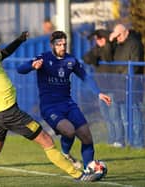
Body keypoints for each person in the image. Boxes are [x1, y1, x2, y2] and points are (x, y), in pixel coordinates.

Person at [0, 32, 103, 182]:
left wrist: (20, 40)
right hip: (10, 113)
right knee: (47, 141)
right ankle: (79, 175)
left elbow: (7, 52)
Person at [17, 31, 111, 170]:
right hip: (50, 107)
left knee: (87, 137)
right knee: (69, 131)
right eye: (59, 44)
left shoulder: (71, 60)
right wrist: (32, 66)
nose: (62, 47)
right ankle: (66, 154)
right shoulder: (43, 58)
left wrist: (98, 93)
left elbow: (85, 76)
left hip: (68, 104)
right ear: (52, 45)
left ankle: (88, 169)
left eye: (64, 44)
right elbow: (20, 69)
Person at [83, 29, 124, 147]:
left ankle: (119, 140)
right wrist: (97, 51)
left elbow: (108, 57)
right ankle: (111, 140)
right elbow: (87, 58)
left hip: (112, 88)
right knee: (107, 117)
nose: (98, 41)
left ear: (105, 39)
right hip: (101, 89)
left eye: (100, 39)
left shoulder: (112, 48)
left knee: (115, 115)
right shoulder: (97, 49)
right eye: (97, 40)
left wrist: (105, 45)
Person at [109, 23, 145, 148]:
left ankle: (138, 144)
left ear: (126, 32)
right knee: (124, 117)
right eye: (116, 36)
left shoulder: (134, 44)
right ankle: (128, 142)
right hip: (119, 85)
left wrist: (124, 77)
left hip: (131, 85)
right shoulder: (118, 45)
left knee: (135, 116)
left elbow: (135, 65)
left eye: (119, 35)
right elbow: (107, 55)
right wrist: (110, 40)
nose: (117, 38)